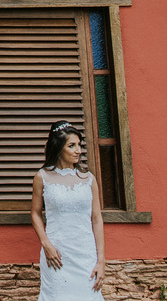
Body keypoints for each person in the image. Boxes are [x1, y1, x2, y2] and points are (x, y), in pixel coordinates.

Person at [30, 120, 106, 301]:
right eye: (72, 146)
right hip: (57, 255)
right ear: (58, 148)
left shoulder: (88, 179)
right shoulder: (42, 177)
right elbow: (35, 213)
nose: (78, 150)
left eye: (79, 145)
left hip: (85, 255)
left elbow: (96, 219)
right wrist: (46, 244)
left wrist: (101, 260)